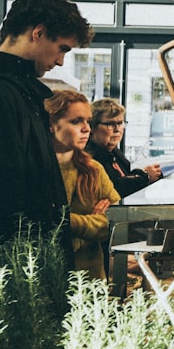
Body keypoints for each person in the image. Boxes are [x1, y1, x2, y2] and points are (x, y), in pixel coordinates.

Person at [0, 0, 94, 262]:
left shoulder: (16, 90)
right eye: (62, 48)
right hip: (9, 266)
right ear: (38, 32)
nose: (60, 61)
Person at [46, 90, 120, 280]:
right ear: (52, 124)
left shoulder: (93, 169)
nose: (86, 128)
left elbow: (114, 222)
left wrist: (68, 221)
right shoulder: (35, 170)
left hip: (89, 279)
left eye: (88, 121)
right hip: (47, 278)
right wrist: (91, 223)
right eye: (76, 121)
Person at [87, 98, 163, 199]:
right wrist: (145, 177)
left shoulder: (114, 151)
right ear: (92, 127)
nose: (117, 129)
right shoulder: (88, 155)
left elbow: (125, 177)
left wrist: (146, 174)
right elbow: (112, 187)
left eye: (120, 123)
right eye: (110, 124)